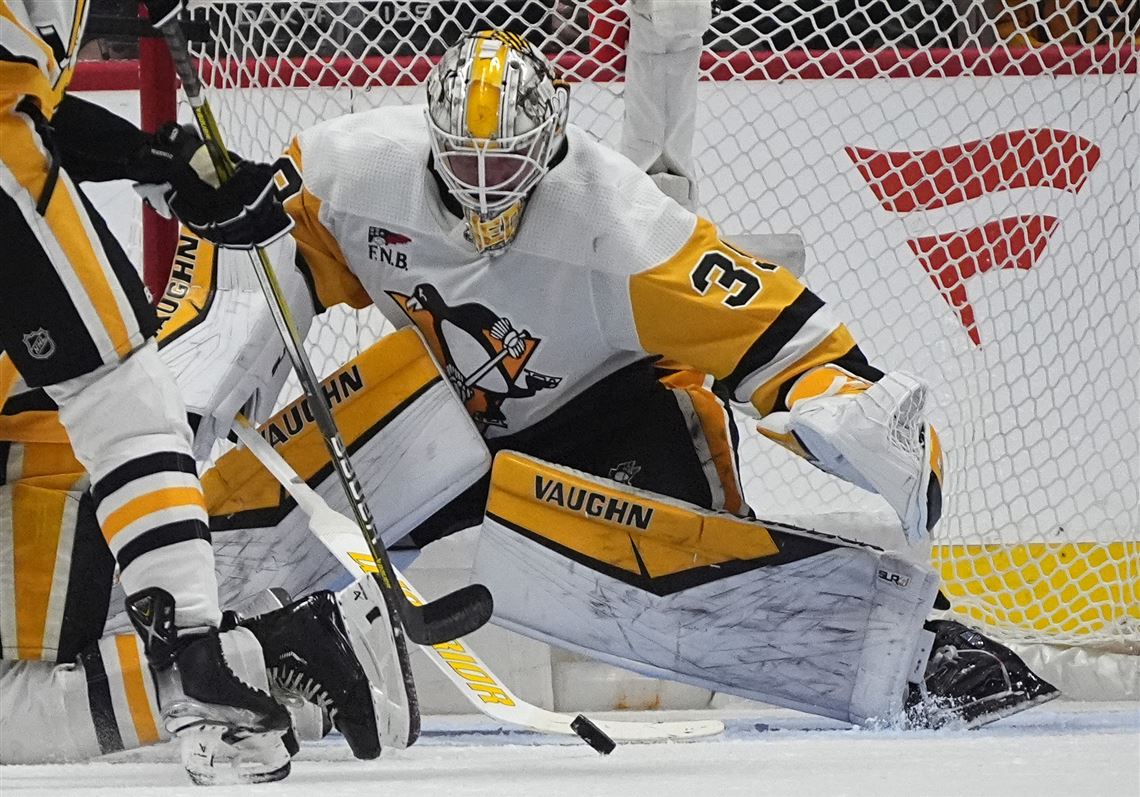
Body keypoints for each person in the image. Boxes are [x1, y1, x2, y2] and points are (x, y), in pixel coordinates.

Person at [177, 29, 1055, 729]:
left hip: (618, 410)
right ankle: (197, 624)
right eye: (464, 165)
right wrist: (202, 375)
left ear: (549, 145)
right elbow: (271, 247)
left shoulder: (621, 225)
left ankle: (920, 649)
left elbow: (772, 330)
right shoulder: (351, 168)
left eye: (504, 167)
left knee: (691, 593)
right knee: (271, 496)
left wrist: (842, 404)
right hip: (451, 402)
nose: (483, 192)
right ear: (430, 141)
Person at [0, 0, 396, 781]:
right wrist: (151, 160)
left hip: (32, 423)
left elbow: (27, 104)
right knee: (119, 390)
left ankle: (203, 658)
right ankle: (251, 654)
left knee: (117, 390)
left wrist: (154, 162)